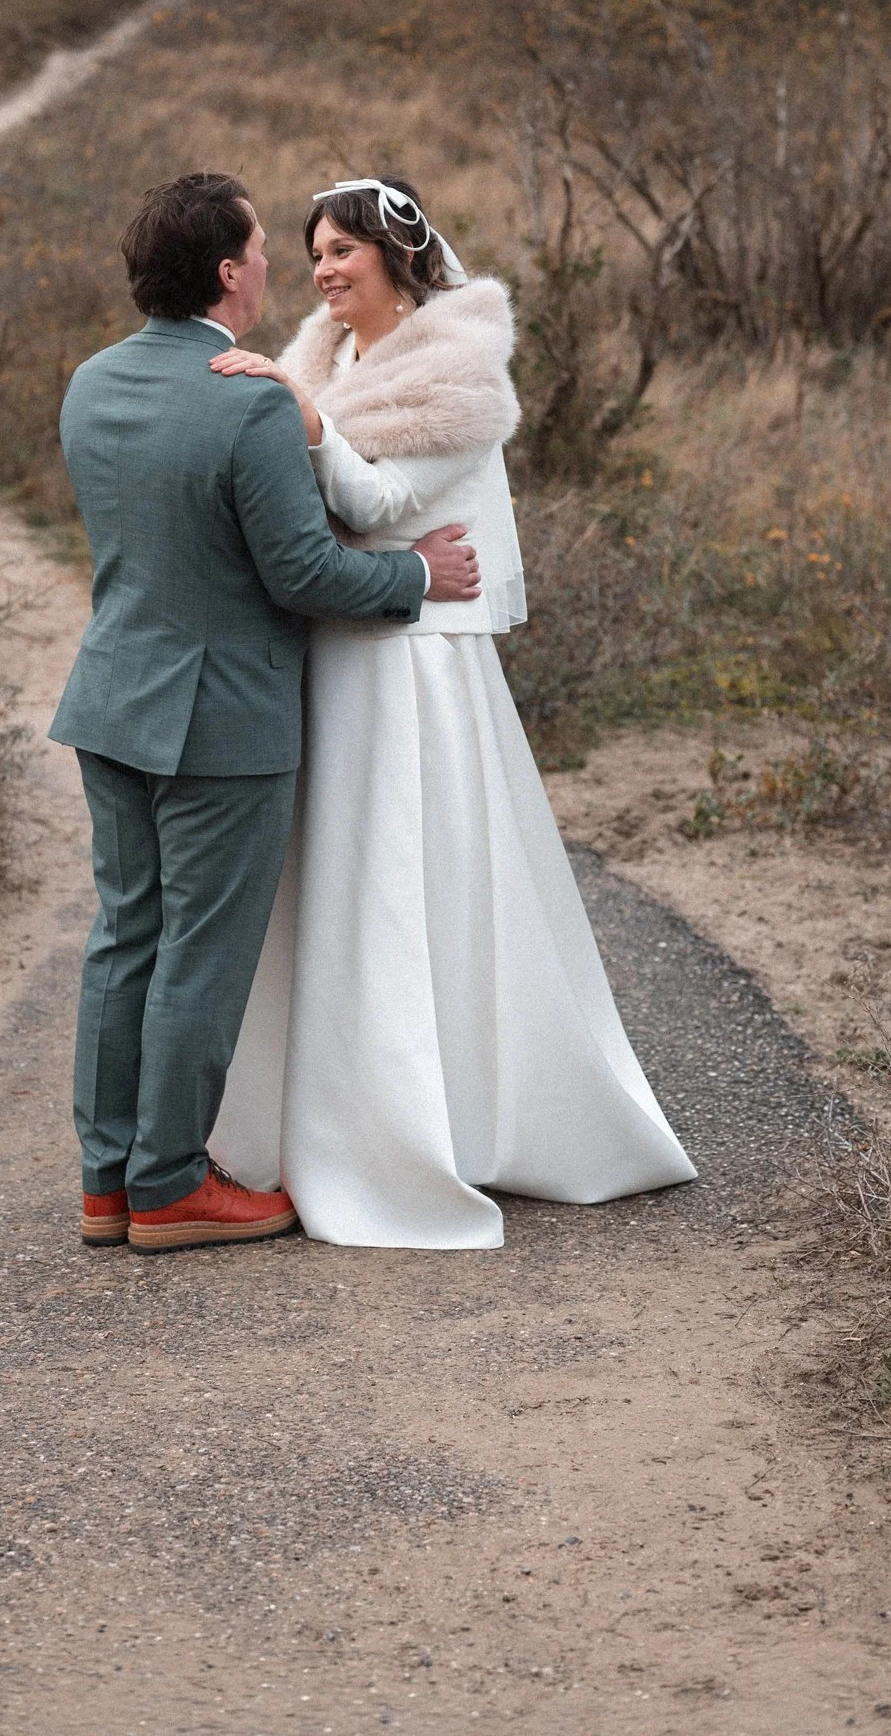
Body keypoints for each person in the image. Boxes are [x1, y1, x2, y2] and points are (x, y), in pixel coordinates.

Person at [207, 176, 695, 1248]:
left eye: (344, 251)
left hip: (412, 662)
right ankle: (302, 1115)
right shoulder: (319, 360)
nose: (326, 270)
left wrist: (300, 424)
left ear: (398, 254)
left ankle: (441, 1120)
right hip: (340, 644)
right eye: (315, 253)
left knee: (407, 873)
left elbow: (381, 503)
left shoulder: (455, 370)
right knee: (332, 873)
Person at [49, 173, 483, 1255]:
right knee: (199, 951)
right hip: (221, 721)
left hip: (109, 702)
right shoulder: (244, 398)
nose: (274, 266)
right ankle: (167, 1187)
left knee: (122, 941)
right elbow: (301, 573)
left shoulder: (90, 384)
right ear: (229, 271)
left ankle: (106, 1183)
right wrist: (417, 576)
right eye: (259, 248)